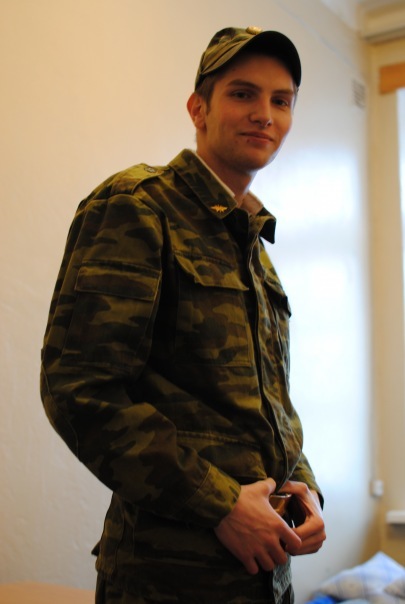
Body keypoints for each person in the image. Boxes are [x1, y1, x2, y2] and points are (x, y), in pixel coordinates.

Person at [40, 25, 326, 604]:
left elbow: (265, 408)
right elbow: (79, 389)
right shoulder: (138, 207)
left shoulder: (254, 248)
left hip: (265, 577)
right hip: (168, 580)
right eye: (242, 94)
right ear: (199, 109)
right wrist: (221, 505)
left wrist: (306, 488)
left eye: (281, 101)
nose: (264, 114)